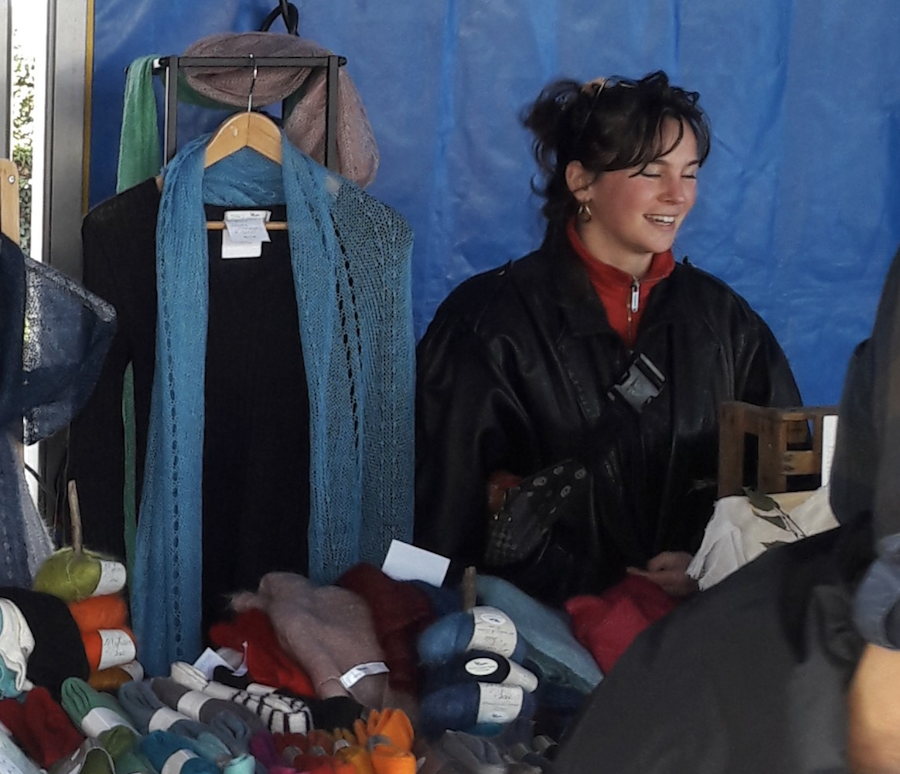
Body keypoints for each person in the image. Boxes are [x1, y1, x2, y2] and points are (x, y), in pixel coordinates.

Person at [414, 70, 801, 604]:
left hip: (689, 642)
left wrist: (714, 562)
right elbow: (436, 525)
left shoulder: (726, 325)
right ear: (581, 182)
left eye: (689, 173)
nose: (677, 195)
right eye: (651, 171)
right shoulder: (487, 324)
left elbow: (789, 497)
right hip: (540, 647)